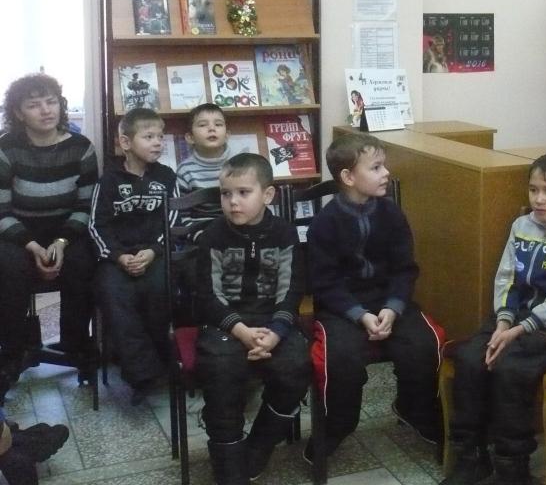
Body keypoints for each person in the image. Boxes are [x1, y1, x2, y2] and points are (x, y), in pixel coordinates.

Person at [442, 150, 546, 485]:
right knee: (471, 358)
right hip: (513, 318)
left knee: (511, 368)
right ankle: (471, 456)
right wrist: (503, 322)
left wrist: (518, 330)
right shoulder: (521, 225)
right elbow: (506, 277)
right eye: (533, 189)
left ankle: (512, 467)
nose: (539, 199)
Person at [307, 133, 444, 462]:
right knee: (341, 358)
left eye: (384, 166)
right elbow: (324, 282)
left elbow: (405, 268)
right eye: (376, 167)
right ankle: (338, 425)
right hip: (342, 307)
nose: (386, 173)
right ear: (348, 177)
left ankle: (414, 409)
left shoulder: (392, 214)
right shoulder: (324, 224)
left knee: (423, 344)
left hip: (389, 300)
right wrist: (360, 314)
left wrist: (393, 309)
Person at [193, 153, 308, 485]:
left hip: (274, 321)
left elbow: (291, 290)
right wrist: (241, 331)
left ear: (267, 195)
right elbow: (208, 295)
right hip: (225, 323)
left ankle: (258, 447)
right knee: (221, 371)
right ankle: (229, 463)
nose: (233, 202)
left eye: (243, 192)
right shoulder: (213, 236)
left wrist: (276, 332)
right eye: (225, 193)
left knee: (295, 366)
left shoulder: (284, 234)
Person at [0, 73, 99, 402]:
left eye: (51, 101)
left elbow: (86, 206)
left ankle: (73, 343)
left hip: (66, 230)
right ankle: (13, 351)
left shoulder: (81, 147)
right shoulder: (6, 148)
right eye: (34, 104)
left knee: (83, 262)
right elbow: (1, 210)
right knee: (9, 267)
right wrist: (31, 246)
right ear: (18, 113)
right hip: (18, 233)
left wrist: (60, 243)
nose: (45, 110)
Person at [88, 107, 178, 405]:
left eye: (160, 137)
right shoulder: (108, 181)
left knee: (159, 291)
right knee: (114, 295)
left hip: (155, 253)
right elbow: (96, 225)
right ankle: (142, 375)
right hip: (116, 258)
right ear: (126, 142)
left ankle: (162, 362)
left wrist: (153, 251)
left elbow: (173, 219)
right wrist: (118, 257)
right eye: (149, 137)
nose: (157, 142)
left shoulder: (166, 177)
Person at [176, 103, 231, 238]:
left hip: (236, 232)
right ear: (190, 138)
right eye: (202, 125)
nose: (212, 129)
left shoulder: (240, 165)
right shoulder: (184, 171)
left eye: (218, 124)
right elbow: (182, 215)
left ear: (227, 135)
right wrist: (198, 236)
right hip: (200, 235)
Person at [0, 409, 70, 485]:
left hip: (9, 438)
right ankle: (38, 450)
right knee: (59, 432)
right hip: (8, 449)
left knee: (44, 428)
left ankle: (38, 448)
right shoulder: (17, 461)